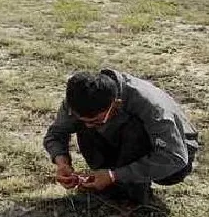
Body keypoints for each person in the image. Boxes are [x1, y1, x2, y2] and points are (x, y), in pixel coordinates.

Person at [43, 69, 199, 204]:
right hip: (121, 141)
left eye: (96, 121)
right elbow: (56, 133)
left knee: (134, 128)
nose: (90, 126)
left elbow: (175, 157)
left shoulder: (150, 106)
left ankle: (132, 195)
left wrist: (114, 175)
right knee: (86, 126)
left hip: (174, 157)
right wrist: (62, 163)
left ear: (116, 104)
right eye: (84, 120)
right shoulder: (78, 99)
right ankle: (109, 184)